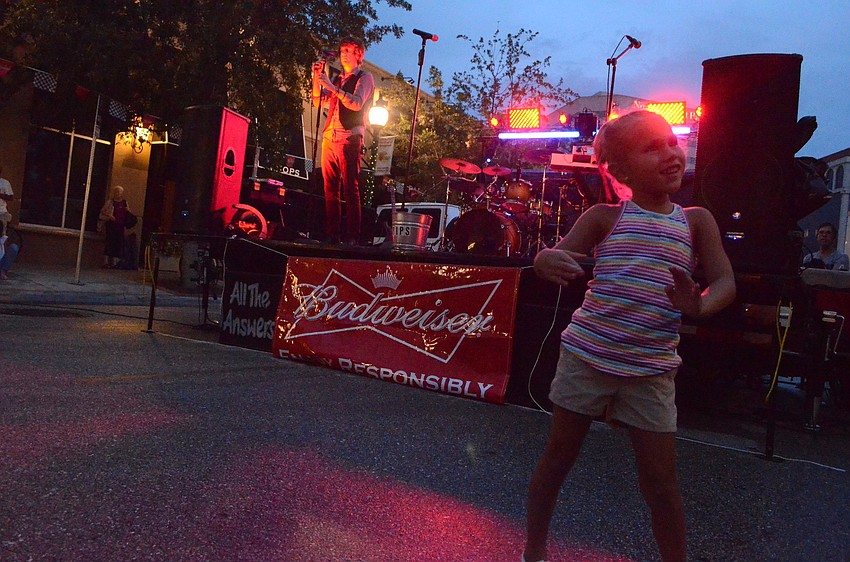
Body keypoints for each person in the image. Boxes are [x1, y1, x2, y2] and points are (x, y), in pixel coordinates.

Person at [522, 110, 736, 562]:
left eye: (670, 143)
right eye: (651, 147)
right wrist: (544, 260)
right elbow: (556, 256)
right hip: (588, 357)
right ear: (619, 172)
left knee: (661, 482)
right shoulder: (603, 217)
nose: (670, 154)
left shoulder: (696, 222)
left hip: (651, 370)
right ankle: (534, 551)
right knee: (557, 460)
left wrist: (698, 305)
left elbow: (725, 283)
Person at [311, 37, 374, 245]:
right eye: (342, 50)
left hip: (349, 136)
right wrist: (316, 78)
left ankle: (353, 237)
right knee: (330, 187)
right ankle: (332, 234)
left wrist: (331, 85)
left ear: (359, 55)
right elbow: (318, 101)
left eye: (348, 50)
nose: (343, 53)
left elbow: (356, 104)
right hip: (330, 135)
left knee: (350, 187)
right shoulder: (338, 79)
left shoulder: (365, 78)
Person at [98, 185, 130, 268]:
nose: (117, 193)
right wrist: (110, 215)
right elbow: (102, 211)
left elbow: (128, 213)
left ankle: (115, 263)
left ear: (121, 193)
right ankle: (106, 262)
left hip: (120, 225)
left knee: (118, 243)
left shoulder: (125, 202)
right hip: (112, 225)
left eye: (119, 192)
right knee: (109, 242)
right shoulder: (110, 202)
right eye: (116, 191)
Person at [0, 163, 18, 280]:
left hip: (1, 213)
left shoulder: (4, 183)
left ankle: (2, 270)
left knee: (3, 239)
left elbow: (11, 197)